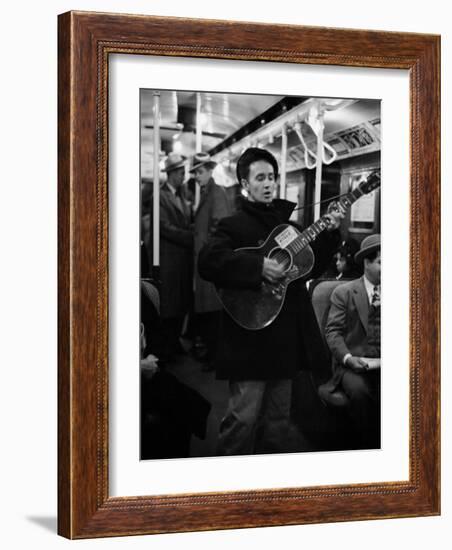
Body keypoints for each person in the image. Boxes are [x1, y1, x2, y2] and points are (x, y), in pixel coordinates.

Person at [198, 147, 344, 456]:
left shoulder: (288, 228)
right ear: (245, 184)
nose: (268, 184)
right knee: (242, 420)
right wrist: (257, 267)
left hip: (283, 338)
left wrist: (330, 235)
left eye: (272, 177)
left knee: (278, 422)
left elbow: (309, 266)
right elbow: (208, 261)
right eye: (260, 178)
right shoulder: (232, 225)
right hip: (248, 336)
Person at [324, 234, 381, 449]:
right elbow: (333, 332)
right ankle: (366, 448)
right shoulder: (344, 293)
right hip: (352, 365)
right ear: (366, 262)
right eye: (381, 262)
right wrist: (348, 358)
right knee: (360, 393)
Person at [190, 153, 235, 371]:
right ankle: (211, 354)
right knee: (208, 312)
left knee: (213, 313)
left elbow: (220, 227)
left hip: (211, 261)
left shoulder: (217, 194)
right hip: (205, 260)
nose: (196, 177)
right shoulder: (208, 193)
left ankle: (216, 358)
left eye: (199, 172)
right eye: (195, 173)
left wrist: (207, 247)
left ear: (209, 171)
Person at [158, 153, 193, 359]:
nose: (183, 176)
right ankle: (168, 345)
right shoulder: (160, 196)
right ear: (171, 174)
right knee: (170, 304)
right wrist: (191, 236)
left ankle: (175, 341)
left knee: (181, 302)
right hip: (170, 258)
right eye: (181, 173)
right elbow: (164, 228)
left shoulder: (182, 196)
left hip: (182, 259)